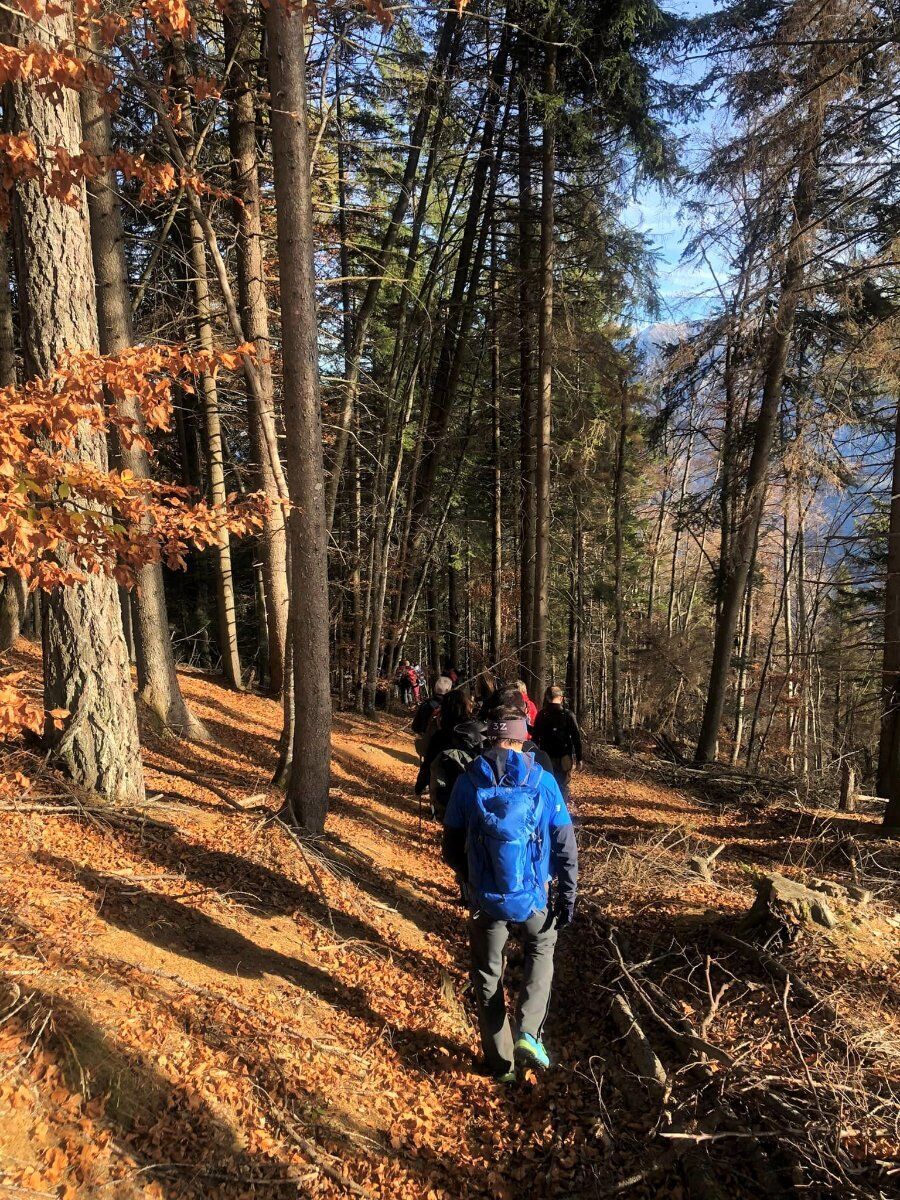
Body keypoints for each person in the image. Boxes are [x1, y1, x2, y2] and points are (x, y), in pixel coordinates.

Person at [442, 707, 578, 1083]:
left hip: (486, 900)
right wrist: (566, 896)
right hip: (534, 895)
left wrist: (474, 882)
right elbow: (565, 845)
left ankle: (501, 1064)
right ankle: (529, 1034)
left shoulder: (469, 781)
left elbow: (450, 848)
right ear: (523, 738)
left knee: (488, 975)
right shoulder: (543, 781)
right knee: (542, 945)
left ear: (490, 737)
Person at [415, 688, 488, 819]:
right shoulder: (481, 730)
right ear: (467, 706)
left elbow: (428, 762)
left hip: (446, 794)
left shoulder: (440, 736)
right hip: (477, 791)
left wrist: (419, 786)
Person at [532, 686, 583, 799]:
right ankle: (561, 811)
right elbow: (576, 737)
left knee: (547, 785)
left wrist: (534, 757)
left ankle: (549, 811)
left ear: (548, 698)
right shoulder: (568, 715)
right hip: (564, 757)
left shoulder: (541, 715)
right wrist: (579, 758)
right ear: (561, 698)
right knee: (563, 786)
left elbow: (535, 738)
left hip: (545, 757)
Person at [412, 675, 452, 759]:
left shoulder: (426, 704)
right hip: (446, 750)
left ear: (435, 689)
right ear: (449, 691)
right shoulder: (452, 707)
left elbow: (415, 727)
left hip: (427, 747)